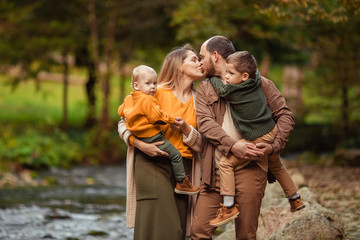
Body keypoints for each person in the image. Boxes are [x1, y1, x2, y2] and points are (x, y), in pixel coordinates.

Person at [190, 36, 296, 240]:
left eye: (202, 57)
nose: (200, 62)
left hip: (252, 167)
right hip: (215, 170)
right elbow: (205, 124)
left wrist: (273, 146)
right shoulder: (206, 88)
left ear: (215, 56)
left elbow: (285, 115)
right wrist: (233, 146)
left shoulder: (261, 83)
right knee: (199, 232)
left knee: (246, 235)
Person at [207, 51, 304, 227]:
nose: (226, 77)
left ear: (244, 76)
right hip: (271, 131)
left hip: (258, 138)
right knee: (277, 166)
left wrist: (213, 77)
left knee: (226, 164)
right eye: (226, 73)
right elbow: (255, 73)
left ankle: (228, 206)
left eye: (230, 74)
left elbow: (221, 89)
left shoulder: (234, 90)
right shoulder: (256, 79)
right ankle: (295, 198)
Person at [118, 44, 204, 240]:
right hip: (152, 163)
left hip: (184, 170)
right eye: (193, 59)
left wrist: (185, 129)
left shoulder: (200, 101)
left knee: (180, 229)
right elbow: (123, 123)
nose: (199, 63)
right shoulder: (154, 90)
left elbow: (203, 145)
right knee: (168, 230)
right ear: (178, 65)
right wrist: (138, 144)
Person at [118, 65, 200, 196]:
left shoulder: (129, 99)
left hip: (140, 136)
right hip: (153, 137)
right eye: (148, 83)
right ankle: (182, 183)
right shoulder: (148, 100)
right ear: (136, 85)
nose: (152, 87)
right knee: (175, 155)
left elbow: (121, 111)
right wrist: (173, 120)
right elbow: (158, 116)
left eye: (155, 83)